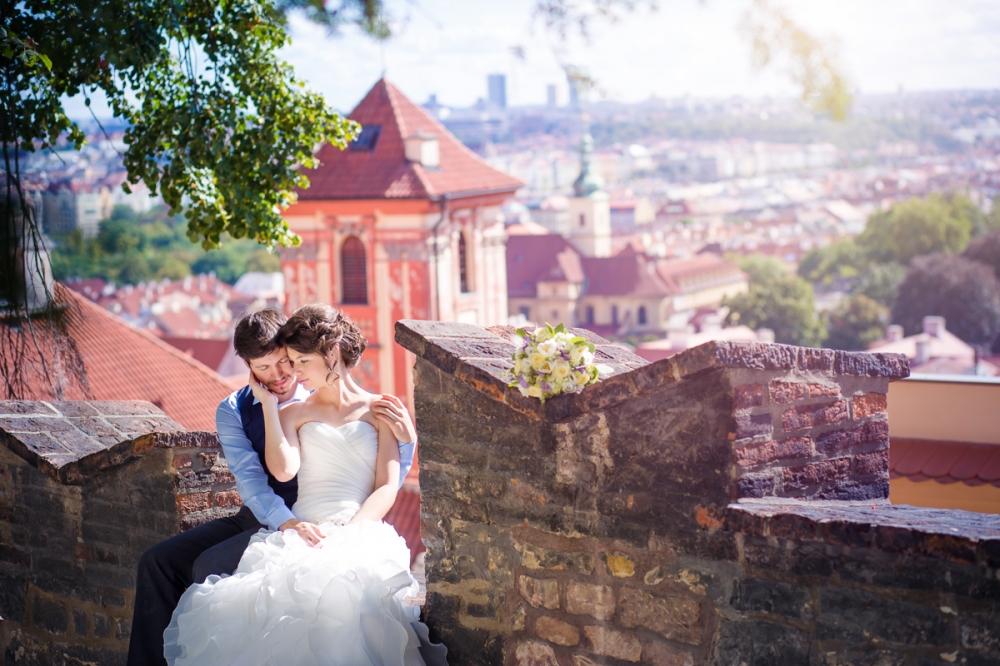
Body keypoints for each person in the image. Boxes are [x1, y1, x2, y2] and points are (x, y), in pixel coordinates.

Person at [127, 309, 418, 666]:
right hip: (268, 516)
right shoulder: (237, 409)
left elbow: (382, 479)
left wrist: (407, 442)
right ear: (248, 367)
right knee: (156, 562)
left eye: (287, 362)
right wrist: (288, 522)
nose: (281, 374)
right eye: (263, 367)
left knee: (209, 569)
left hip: (329, 520)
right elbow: (257, 481)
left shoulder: (339, 393)